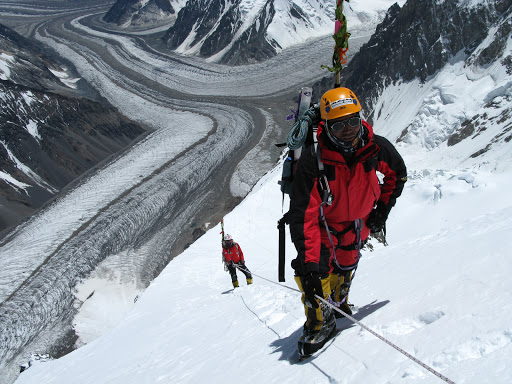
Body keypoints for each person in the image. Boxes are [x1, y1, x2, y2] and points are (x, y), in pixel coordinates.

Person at [288, 87, 407, 357]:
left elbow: (397, 174)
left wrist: (381, 212)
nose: (348, 129)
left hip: (357, 226)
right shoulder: (315, 159)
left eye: (353, 121)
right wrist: (308, 264)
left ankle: (339, 304)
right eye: (339, 125)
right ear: (327, 125)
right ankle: (320, 321)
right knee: (314, 276)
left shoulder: (374, 146)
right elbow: (304, 214)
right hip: (323, 229)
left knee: (346, 267)